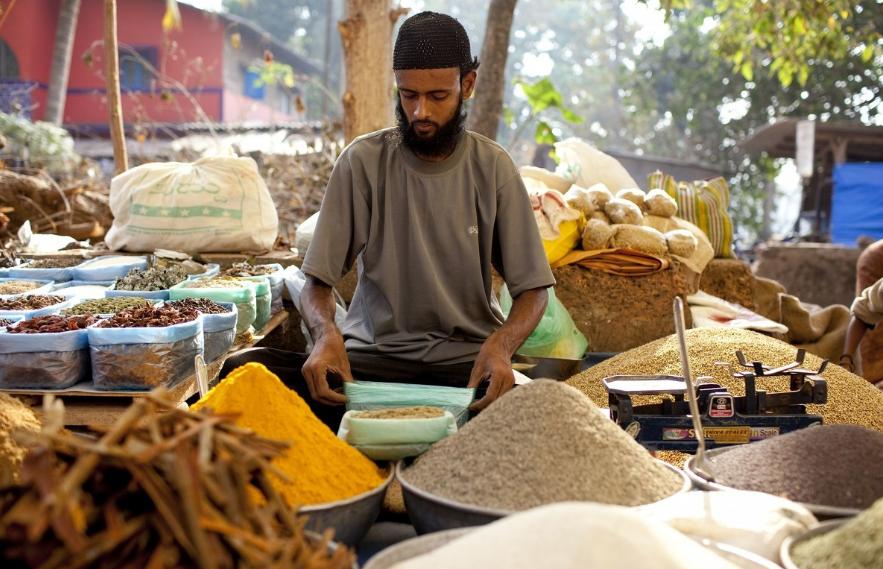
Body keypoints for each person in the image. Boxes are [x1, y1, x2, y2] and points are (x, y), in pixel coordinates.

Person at [222, 11, 553, 423]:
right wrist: (325, 336)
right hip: (371, 366)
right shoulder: (362, 162)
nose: (420, 112)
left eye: (437, 96)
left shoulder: (494, 168)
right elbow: (317, 284)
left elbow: (534, 292)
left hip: (467, 370)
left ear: (467, 85)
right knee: (245, 373)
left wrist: (501, 347)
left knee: (545, 411)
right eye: (408, 95)